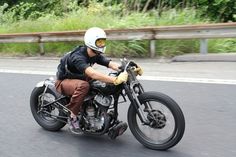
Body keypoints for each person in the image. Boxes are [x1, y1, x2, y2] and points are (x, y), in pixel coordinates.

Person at [55, 27, 143, 133]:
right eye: (99, 42)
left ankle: (99, 113)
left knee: (102, 84)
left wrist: (127, 69)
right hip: (64, 81)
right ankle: (73, 116)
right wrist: (115, 79)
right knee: (85, 86)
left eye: (103, 42)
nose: (102, 44)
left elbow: (110, 64)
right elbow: (92, 73)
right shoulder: (78, 57)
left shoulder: (95, 54)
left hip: (80, 77)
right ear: (91, 42)